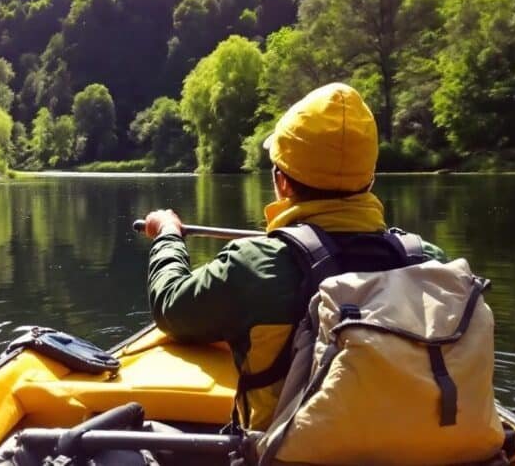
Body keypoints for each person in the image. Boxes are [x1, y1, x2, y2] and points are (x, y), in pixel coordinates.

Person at [141, 82, 445, 431]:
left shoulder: (254, 267)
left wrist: (167, 235)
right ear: (370, 179)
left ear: (281, 182)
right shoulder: (428, 262)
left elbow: (170, 307)